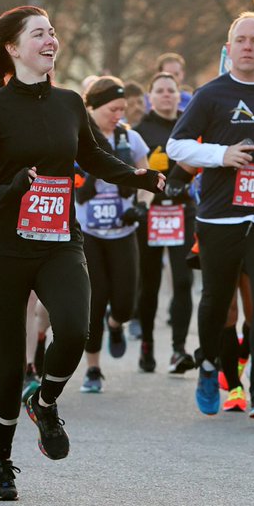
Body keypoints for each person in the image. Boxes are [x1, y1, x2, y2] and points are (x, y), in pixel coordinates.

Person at [0, 5, 162, 501]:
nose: (50, 40)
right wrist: (12, 188)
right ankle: (1, 461)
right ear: (12, 48)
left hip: (58, 241)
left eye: (53, 32)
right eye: (39, 34)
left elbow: (92, 155)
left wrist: (137, 177)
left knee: (75, 328)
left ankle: (46, 401)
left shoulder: (70, 102)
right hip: (3, 248)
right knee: (9, 366)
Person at [167, 12, 254, 419]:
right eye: (240, 40)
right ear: (229, 49)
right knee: (216, 302)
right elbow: (178, 147)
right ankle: (209, 366)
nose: (247, 47)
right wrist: (220, 155)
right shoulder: (211, 95)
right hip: (219, 216)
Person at [75, 76, 151, 392]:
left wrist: (142, 206)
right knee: (94, 301)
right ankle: (93, 370)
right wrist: (87, 179)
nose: (118, 114)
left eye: (122, 109)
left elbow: (148, 179)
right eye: (112, 109)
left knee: (124, 302)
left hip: (122, 230)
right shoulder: (74, 140)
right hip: (89, 232)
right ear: (91, 108)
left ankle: (116, 324)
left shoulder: (129, 140)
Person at [134, 72, 196, 374]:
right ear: (151, 96)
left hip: (183, 210)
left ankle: (178, 349)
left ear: (178, 94)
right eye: (159, 90)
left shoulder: (190, 124)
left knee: (183, 280)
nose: (166, 95)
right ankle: (146, 342)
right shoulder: (139, 131)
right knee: (149, 284)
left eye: (171, 90)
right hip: (151, 213)